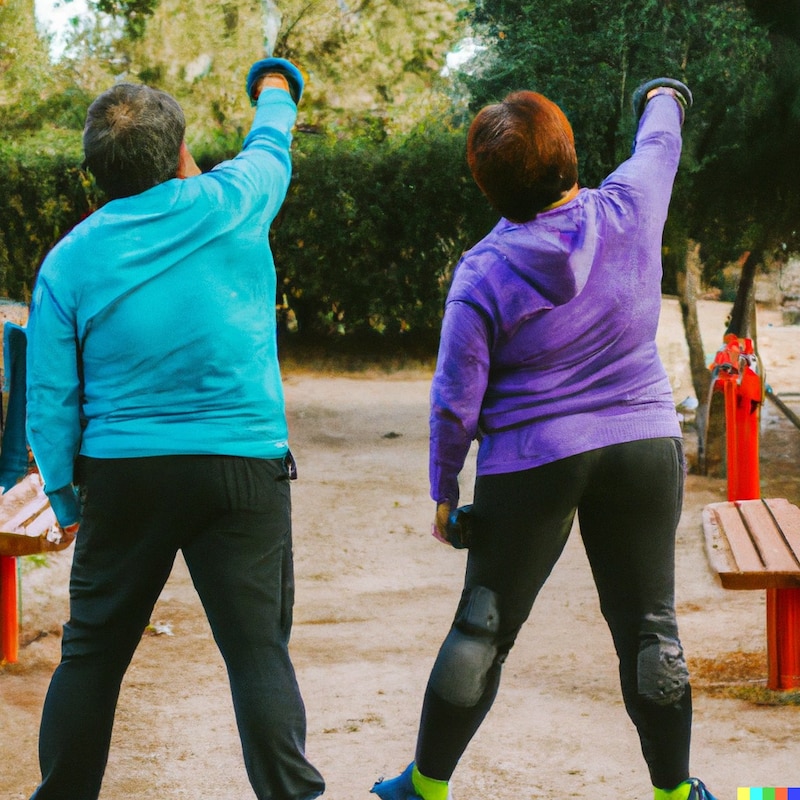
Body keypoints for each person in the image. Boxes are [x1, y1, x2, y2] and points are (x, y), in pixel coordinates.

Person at [371, 79, 718, 800]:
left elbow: (454, 400)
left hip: (534, 459)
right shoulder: (630, 204)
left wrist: (444, 491)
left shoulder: (483, 272)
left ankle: (424, 789)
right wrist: (663, 92)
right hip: (642, 443)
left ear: (488, 186)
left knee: (484, 625)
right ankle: (676, 795)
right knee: (652, 630)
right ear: (569, 156)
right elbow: (661, 138)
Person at [24, 58, 325, 800]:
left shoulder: (69, 261)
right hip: (242, 468)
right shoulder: (236, 198)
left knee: (90, 654)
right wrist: (274, 85)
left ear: (98, 172)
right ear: (182, 152)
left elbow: (52, 395)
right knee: (258, 652)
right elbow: (271, 139)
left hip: (124, 476)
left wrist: (64, 500)